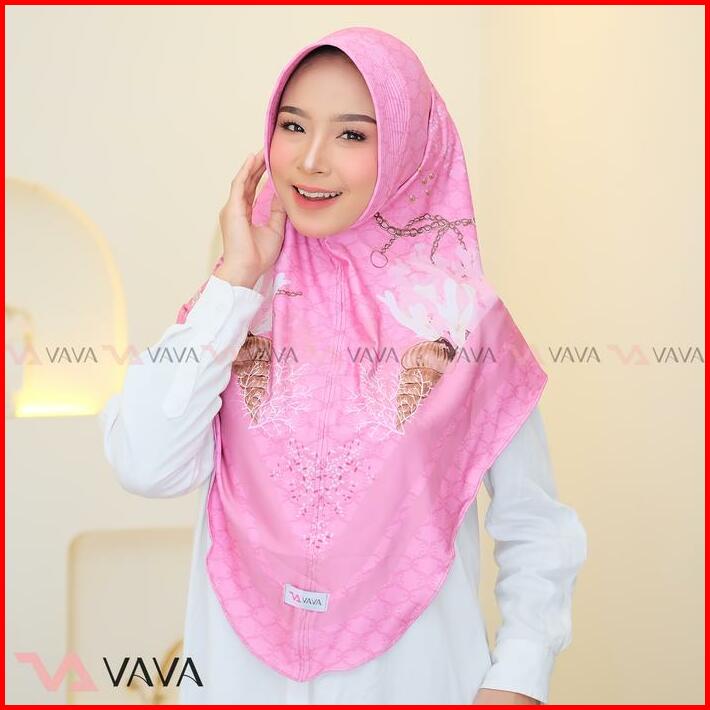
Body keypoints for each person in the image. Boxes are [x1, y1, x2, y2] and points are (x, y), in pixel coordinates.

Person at [99, 27, 587, 705]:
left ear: (410, 150)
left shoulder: (463, 320)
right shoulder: (235, 306)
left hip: (416, 682)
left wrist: (518, 678)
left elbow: (534, 523)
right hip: (243, 684)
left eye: (352, 134)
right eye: (293, 126)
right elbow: (145, 464)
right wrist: (234, 279)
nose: (310, 160)